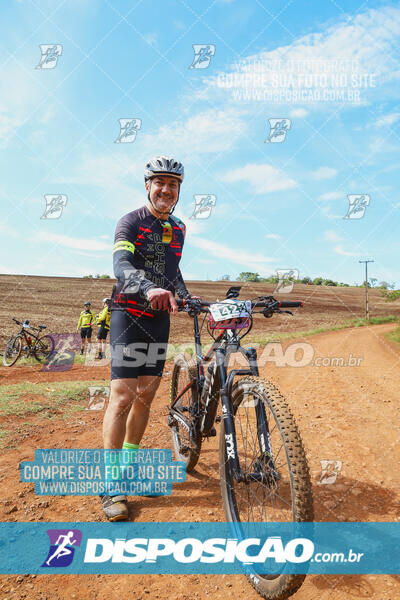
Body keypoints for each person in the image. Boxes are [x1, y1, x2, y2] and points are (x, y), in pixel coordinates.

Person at [101, 156, 195, 521]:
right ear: (147, 186)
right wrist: (149, 286)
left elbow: (173, 271)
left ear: (178, 190)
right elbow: (122, 266)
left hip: (159, 318)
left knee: (146, 395)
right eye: (159, 182)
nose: (166, 189)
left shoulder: (180, 228)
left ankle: (128, 468)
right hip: (128, 312)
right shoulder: (130, 222)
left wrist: (184, 294)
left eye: (173, 184)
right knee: (123, 394)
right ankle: (111, 485)